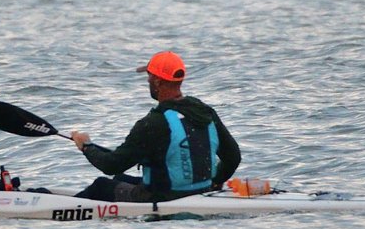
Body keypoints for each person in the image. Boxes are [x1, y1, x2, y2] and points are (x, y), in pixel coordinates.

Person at [69, 51, 241, 204]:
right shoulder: (205, 112)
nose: (147, 80)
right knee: (120, 178)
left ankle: (57, 207)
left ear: (158, 82)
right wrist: (215, 181)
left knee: (101, 185)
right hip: (202, 192)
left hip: (163, 197)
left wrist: (86, 146)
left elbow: (111, 165)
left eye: (149, 75)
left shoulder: (153, 123)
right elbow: (233, 157)